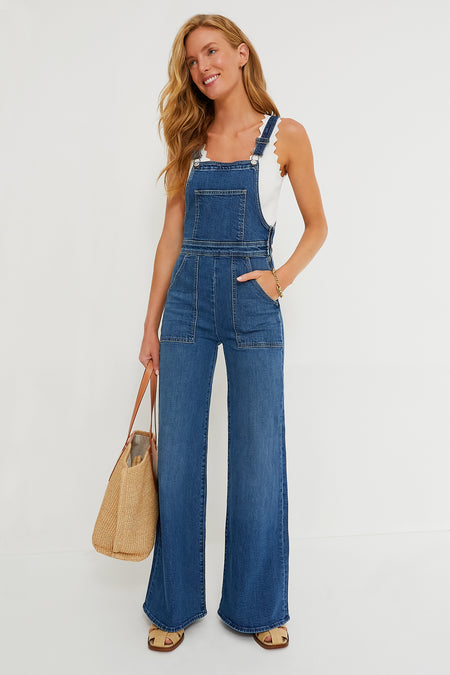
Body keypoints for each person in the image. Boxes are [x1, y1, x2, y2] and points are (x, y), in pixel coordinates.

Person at [139, 13, 328, 652]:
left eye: (212, 51)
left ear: (242, 53)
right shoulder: (188, 140)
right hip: (187, 307)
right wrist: (150, 326)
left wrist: (280, 279)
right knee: (179, 455)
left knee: (258, 457)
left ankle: (258, 605)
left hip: (253, 303)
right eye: (192, 61)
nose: (203, 67)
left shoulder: (285, 135)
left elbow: (318, 225)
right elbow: (171, 238)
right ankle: (173, 604)